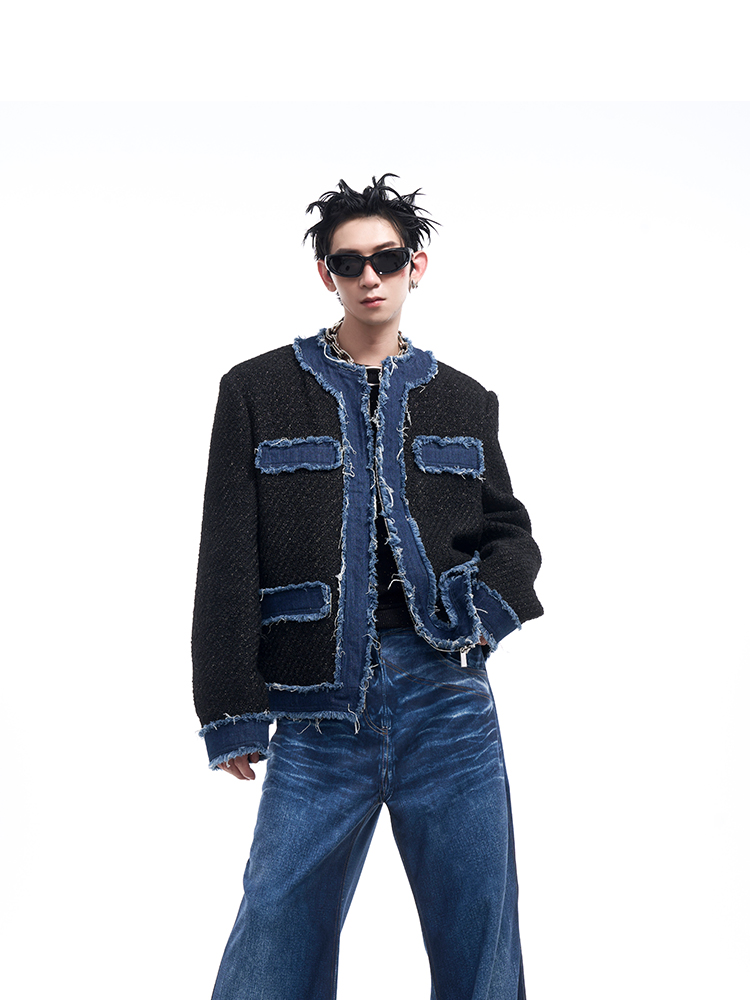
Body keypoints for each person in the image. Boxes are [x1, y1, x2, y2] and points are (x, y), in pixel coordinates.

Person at [192, 174, 543, 1000]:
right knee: (275, 929)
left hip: (449, 700)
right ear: (328, 274)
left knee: (481, 932)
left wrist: (479, 615)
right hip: (317, 707)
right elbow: (227, 553)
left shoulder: (465, 399)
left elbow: (510, 533)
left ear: (416, 265)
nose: (370, 277)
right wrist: (230, 706)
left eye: (386, 259)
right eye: (350, 263)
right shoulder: (255, 390)